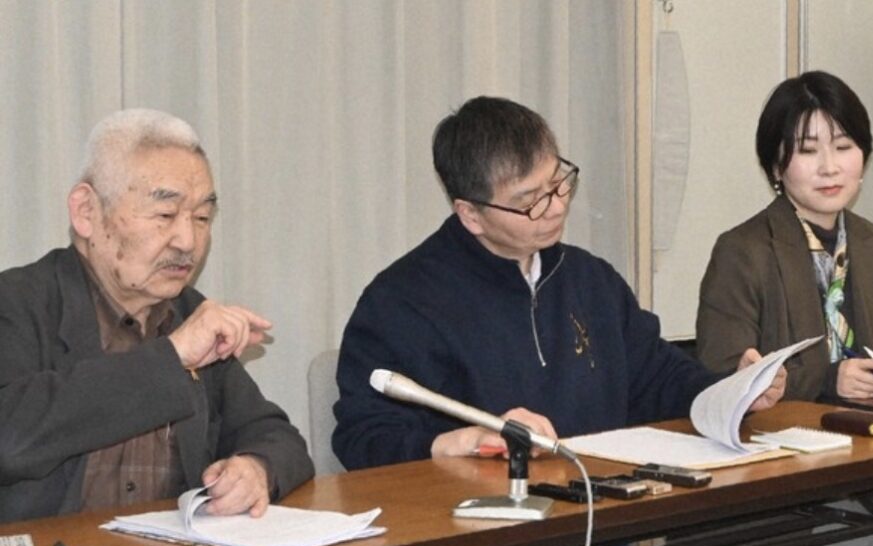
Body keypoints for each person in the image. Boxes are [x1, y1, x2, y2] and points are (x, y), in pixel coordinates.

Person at [333, 96, 785, 469]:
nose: (555, 207)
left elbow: (656, 378)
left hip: (600, 510)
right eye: (529, 201)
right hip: (488, 524)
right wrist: (456, 442)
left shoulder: (589, 280)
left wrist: (731, 392)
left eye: (558, 183)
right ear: (470, 214)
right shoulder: (402, 303)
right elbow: (363, 437)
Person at [0, 109, 313, 523]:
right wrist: (172, 357)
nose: (188, 241)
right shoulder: (17, 303)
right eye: (165, 215)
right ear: (86, 212)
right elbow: (9, 440)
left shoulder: (187, 313)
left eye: (202, 218)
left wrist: (256, 469)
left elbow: (277, 437)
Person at [696, 71, 873, 403]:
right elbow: (720, 377)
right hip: (779, 431)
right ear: (776, 166)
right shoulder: (742, 251)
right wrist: (825, 381)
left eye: (843, 147)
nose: (829, 167)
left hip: (867, 427)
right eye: (808, 150)